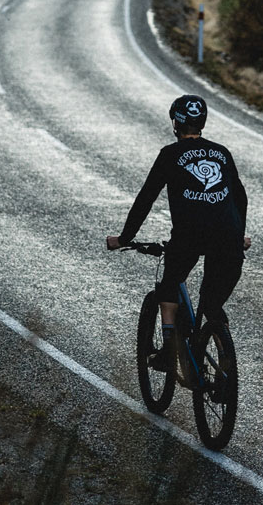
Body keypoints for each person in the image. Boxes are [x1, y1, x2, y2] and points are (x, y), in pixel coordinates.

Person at [107, 94, 249, 371]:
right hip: (228, 239)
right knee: (212, 305)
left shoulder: (170, 154)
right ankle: (224, 365)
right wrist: (238, 234)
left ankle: (168, 352)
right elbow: (240, 197)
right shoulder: (222, 152)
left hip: (190, 237)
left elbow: (146, 198)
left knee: (169, 285)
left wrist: (124, 238)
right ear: (202, 122)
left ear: (175, 122)